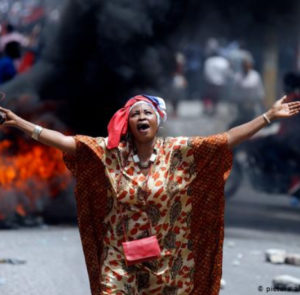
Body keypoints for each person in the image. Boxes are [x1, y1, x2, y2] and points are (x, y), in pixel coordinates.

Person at [0, 94, 299, 295]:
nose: (142, 117)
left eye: (148, 112)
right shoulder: (110, 152)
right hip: (120, 257)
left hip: (169, 261)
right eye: (135, 114)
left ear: (158, 120)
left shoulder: (179, 152)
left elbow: (226, 139)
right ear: (128, 124)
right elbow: (68, 143)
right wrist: (21, 123)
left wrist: (267, 117)